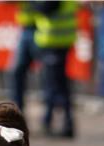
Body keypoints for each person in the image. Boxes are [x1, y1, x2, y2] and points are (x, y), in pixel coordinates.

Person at [33, 1, 78, 137]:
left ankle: (58, 122)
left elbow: (45, 8)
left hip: (55, 42)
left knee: (55, 86)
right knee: (57, 85)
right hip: (58, 42)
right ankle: (57, 122)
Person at [10, 2, 39, 113]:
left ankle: (49, 117)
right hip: (26, 29)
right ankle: (16, 113)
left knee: (49, 76)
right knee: (16, 71)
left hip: (44, 28)